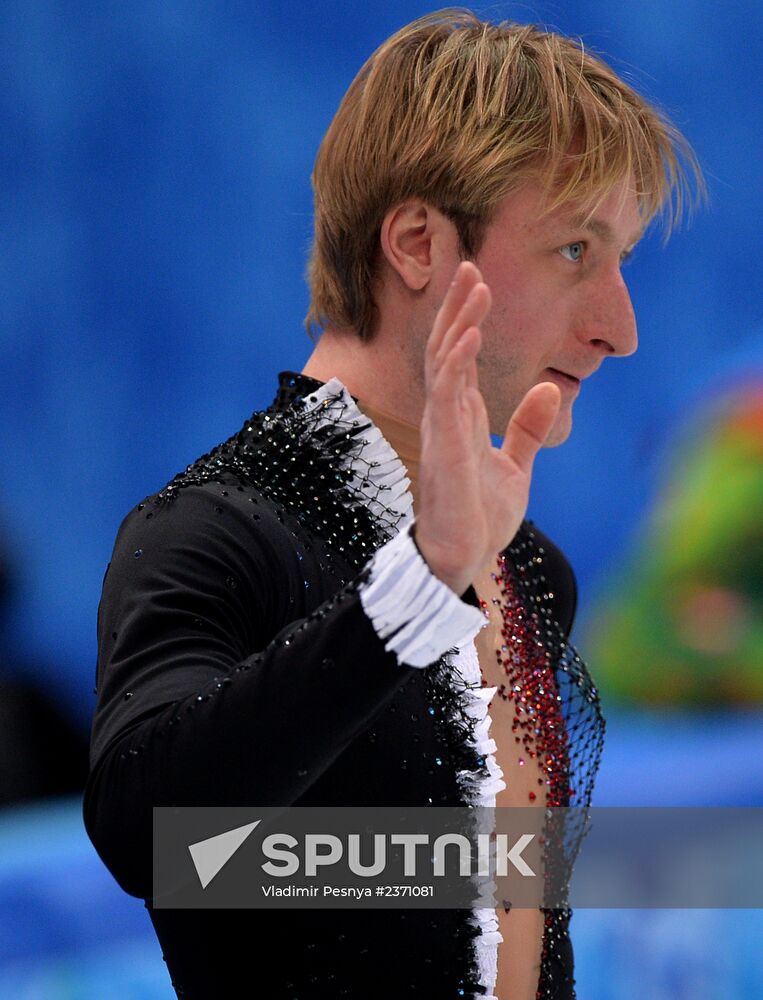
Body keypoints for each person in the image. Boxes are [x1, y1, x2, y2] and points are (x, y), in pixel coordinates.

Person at [84, 10, 700, 999]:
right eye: (576, 251)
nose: (618, 330)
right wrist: (415, 584)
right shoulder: (216, 530)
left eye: (621, 259)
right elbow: (152, 840)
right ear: (419, 242)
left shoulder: (527, 568)